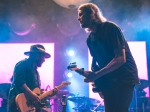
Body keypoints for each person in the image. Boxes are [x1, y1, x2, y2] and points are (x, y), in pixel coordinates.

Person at [77, 3, 139, 112]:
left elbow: (120, 58)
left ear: (91, 14)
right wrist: (97, 82)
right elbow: (97, 65)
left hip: (124, 78)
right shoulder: (90, 39)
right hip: (109, 80)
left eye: (81, 14)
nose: (78, 18)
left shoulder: (110, 28)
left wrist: (96, 75)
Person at [8, 44, 58, 112]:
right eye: (43, 57)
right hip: (18, 106)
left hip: (29, 108)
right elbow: (19, 81)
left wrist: (48, 94)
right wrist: (30, 94)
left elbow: (36, 92)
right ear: (37, 56)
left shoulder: (35, 72)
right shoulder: (22, 64)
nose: (44, 60)